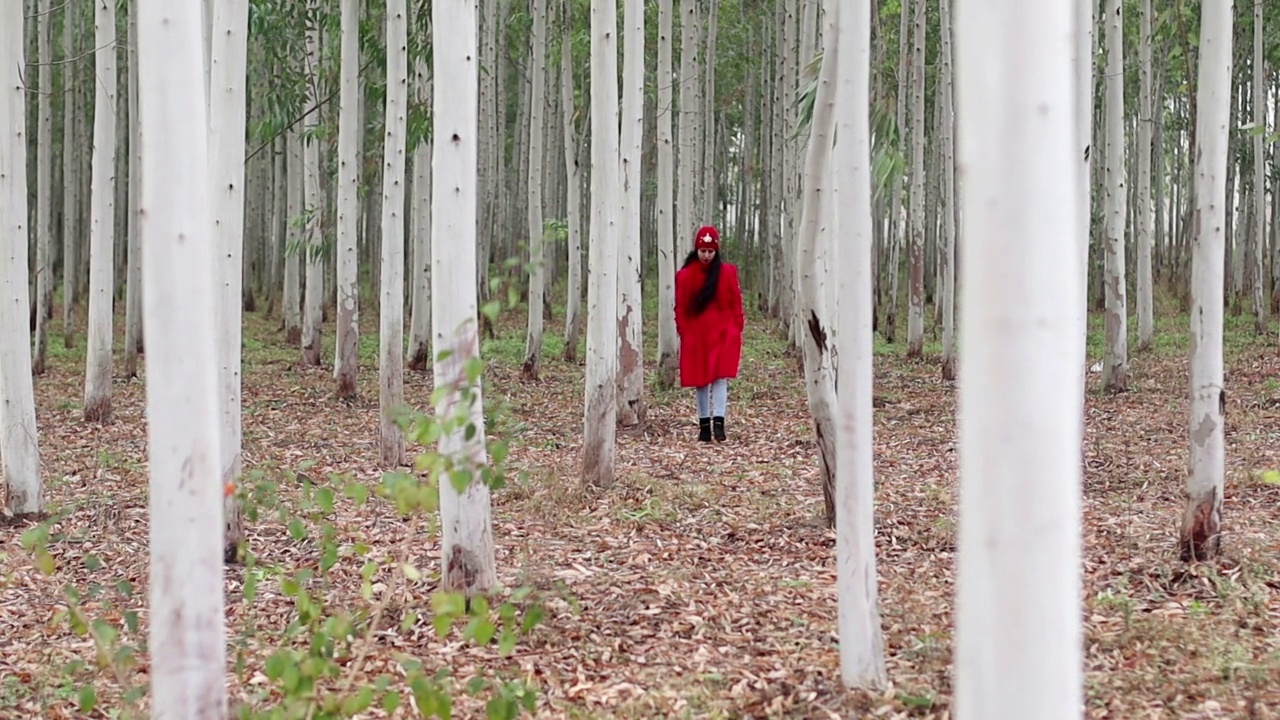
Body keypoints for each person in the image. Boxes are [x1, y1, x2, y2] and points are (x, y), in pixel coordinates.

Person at [675, 224, 744, 443]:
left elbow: (735, 300)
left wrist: (737, 325)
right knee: (701, 380)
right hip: (697, 335)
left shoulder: (727, 272)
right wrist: (684, 331)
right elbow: (681, 306)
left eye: (710, 251)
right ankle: (704, 425)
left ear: (716, 251)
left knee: (720, 376)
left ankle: (719, 422)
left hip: (723, 333)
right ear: (696, 250)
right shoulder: (685, 276)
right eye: (703, 250)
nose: (706, 255)